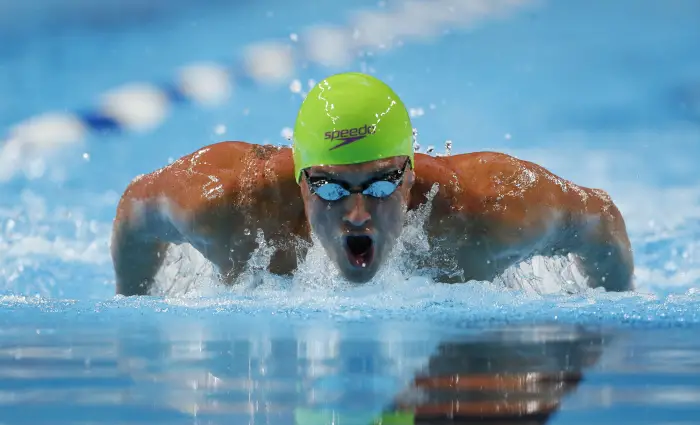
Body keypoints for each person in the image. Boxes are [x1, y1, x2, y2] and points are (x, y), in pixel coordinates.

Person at [111, 72, 634, 296]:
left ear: (409, 179)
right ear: (299, 181)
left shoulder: (494, 207)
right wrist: (136, 308)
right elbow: (135, 210)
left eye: (381, 185)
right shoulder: (224, 204)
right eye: (332, 188)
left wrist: (609, 324)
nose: (357, 213)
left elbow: (601, 218)